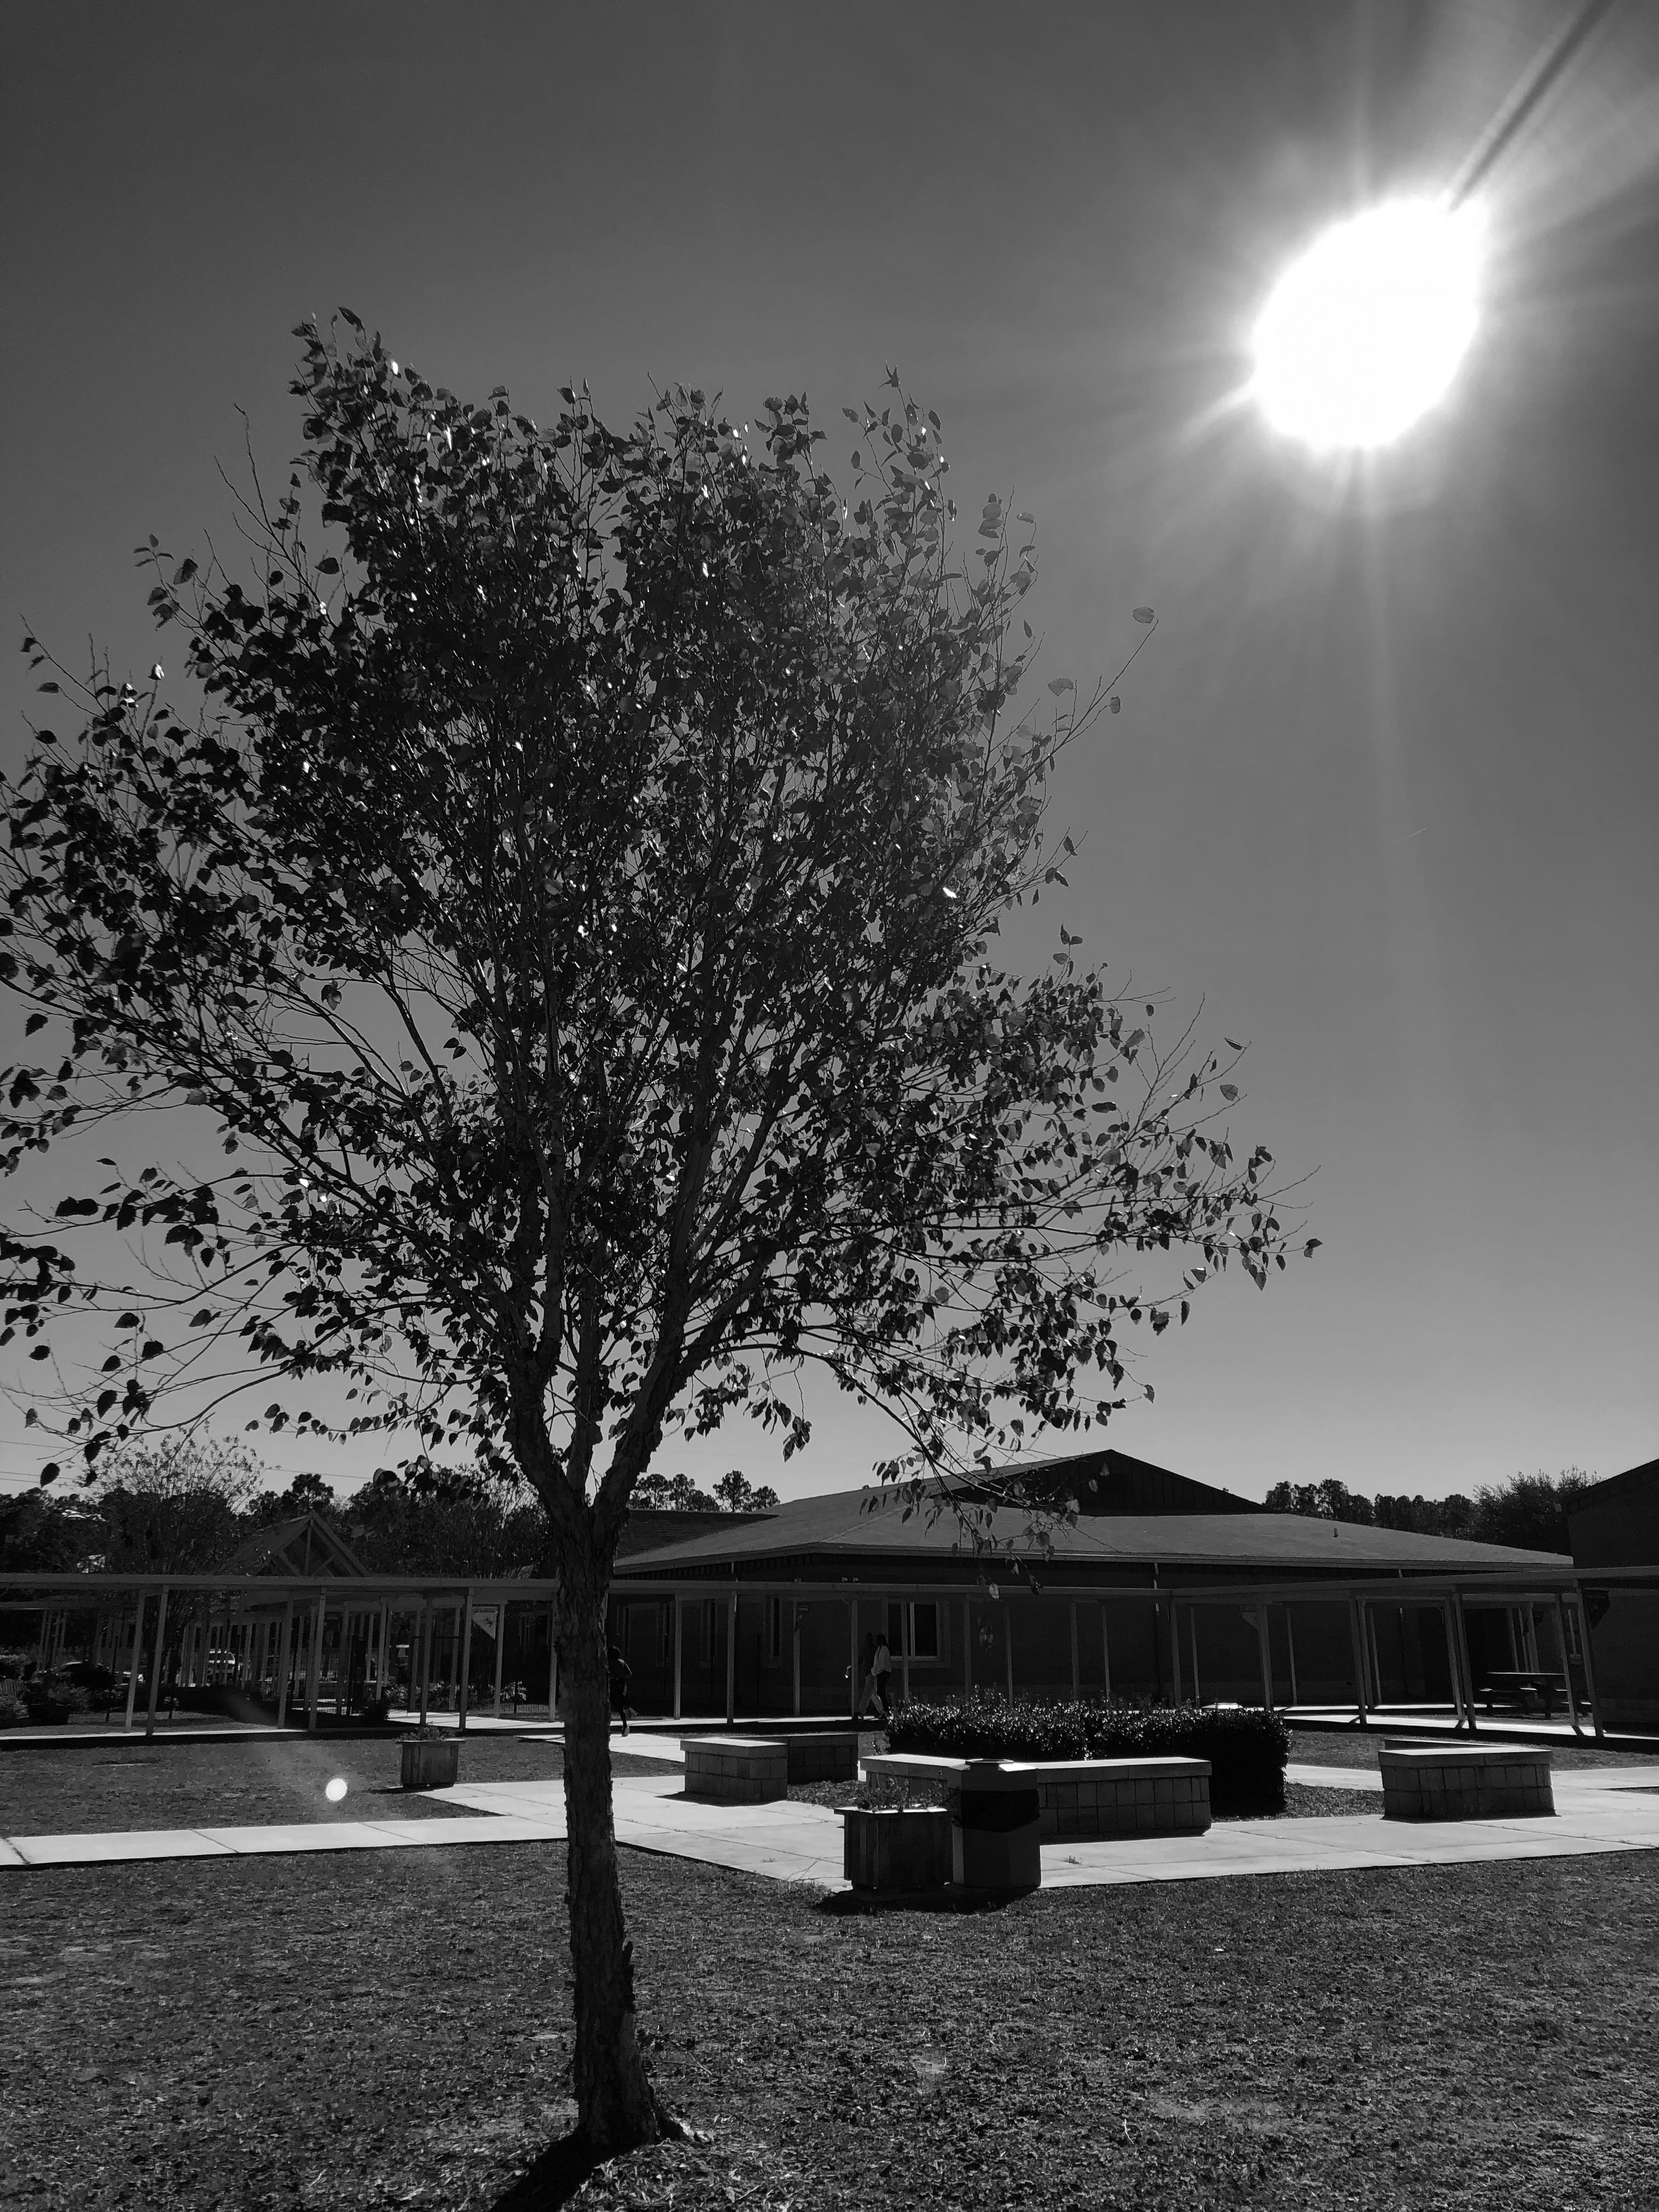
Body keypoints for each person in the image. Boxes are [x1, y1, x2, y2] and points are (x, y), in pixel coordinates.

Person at [607, 1640, 634, 1735]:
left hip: (613, 1686)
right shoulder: (622, 1663)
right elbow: (629, 1673)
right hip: (621, 1688)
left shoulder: (609, 1664)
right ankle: (626, 1726)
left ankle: (607, 1726)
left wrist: (614, 1677)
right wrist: (621, 1677)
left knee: (609, 1707)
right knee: (621, 1709)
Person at [872, 1627, 892, 1721]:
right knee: (879, 1692)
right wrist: (874, 1671)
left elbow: (883, 1664)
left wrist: (877, 1671)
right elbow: (876, 1662)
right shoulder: (878, 1650)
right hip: (879, 1672)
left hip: (884, 1672)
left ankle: (886, 1710)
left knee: (881, 1691)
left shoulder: (884, 1650)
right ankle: (884, 1710)